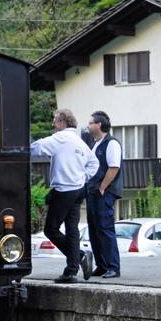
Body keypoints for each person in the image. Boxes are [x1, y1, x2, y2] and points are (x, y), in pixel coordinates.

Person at [31, 109, 99, 283]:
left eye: (55, 120)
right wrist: (84, 178)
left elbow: (36, 148)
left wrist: (19, 149)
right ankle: (71, 271)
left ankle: (79, 256)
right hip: (78, 190)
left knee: (50, 230)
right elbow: (94, 163)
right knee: (72, 230)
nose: (53, 124)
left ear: (63, 122)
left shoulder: (60, 138)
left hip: (64, 190)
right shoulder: (79, 141)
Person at [86, 111, 123, 279]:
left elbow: (114, 167)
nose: (88, 126)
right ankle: (101, 265)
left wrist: (102, 187)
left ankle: (113, 267)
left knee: (105, 229)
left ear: (99, 125)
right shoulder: (96, 143)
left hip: (104, 193)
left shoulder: (111, 143)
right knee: (94, 229)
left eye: (91, 123)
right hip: (93, 192)